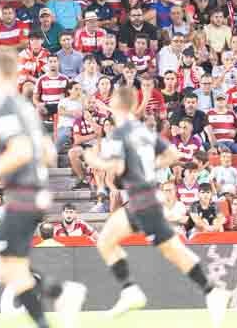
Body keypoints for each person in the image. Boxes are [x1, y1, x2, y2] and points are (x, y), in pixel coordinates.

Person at [0, 49, 85, 328]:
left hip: (24, 195)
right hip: (32, 193)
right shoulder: (26, 108)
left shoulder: (7, 106)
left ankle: (62, 292)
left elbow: (22, 150)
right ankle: (49, 312)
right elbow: (48, 151)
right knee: (14, 268)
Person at [82, 84, 229, 324]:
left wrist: (93, 159)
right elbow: (171, 154)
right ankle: (130, 291)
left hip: (144, 202)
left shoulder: (119, 134)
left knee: (174, 252)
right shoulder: (142, 131)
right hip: (142, 199)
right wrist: (149, 167)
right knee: (106, 239)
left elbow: (117, 168)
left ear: (118, 104)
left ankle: (213, 291)